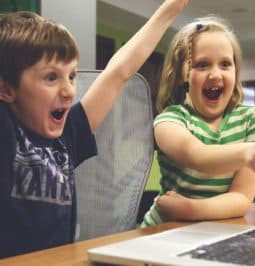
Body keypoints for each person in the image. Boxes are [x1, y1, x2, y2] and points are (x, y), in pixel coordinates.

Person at [0, 0, 188, 258]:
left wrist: (171, 8)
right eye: (51, 77)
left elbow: (119, 71)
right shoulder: (7, 131)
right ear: (6, 89)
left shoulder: (68, 135)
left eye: (72, 76)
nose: (68, 91)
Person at [141, 16, 255, 228]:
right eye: (202, 64)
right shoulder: (170, 120)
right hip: (163, 231)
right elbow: (196, 155)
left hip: (214, 231)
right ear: (181, 74)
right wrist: (247, 152)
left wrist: (189, 210)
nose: (215, 74)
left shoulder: (254, 120)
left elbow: (241, 198)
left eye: (225, 64)